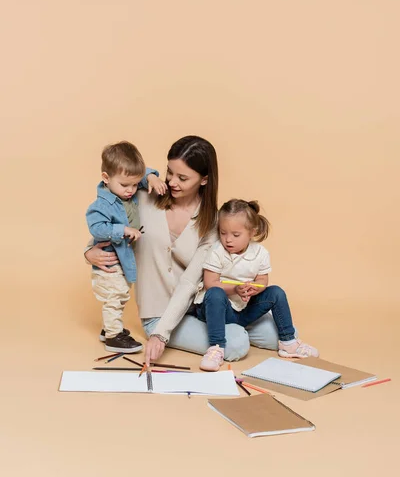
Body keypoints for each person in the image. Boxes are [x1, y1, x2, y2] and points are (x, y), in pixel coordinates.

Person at [84, 135, 290, 364]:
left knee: (280, 336)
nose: (172, 182)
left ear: (203, 180)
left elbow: (190, 281)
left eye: (182, 178)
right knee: (236, 343)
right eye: (169, 172)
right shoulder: (141, 197)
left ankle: (229, 322)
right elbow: (108, 225)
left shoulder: (213, 223)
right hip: (159, 314)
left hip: (201, 306)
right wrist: (88, 252)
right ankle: (229, 329)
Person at [193, 199, 319, 371]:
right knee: (215, 293)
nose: (228, 239)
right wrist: (235, 289)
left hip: (243, 308)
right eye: (223, 233)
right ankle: (216, 348)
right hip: (219, 311)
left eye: (236, 235)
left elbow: (262, 281)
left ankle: (288, 343)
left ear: (252, 232)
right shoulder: (217, 251)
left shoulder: (260, 253)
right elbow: (210, 283)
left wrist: (254, 289)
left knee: (276, 292)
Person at [86, 141, 167, 353]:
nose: (131, 190)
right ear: (106, 178)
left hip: (123, 259)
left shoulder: (125, 186)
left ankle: (109, 328)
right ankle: (113, 337)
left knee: (120, 295)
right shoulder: (101, 205)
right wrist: (121, 230)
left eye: (134, 184)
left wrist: (151, 176)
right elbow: (97, 229)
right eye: (125, 185)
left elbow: (139, 175)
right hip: (109, 260)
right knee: (116, 295)